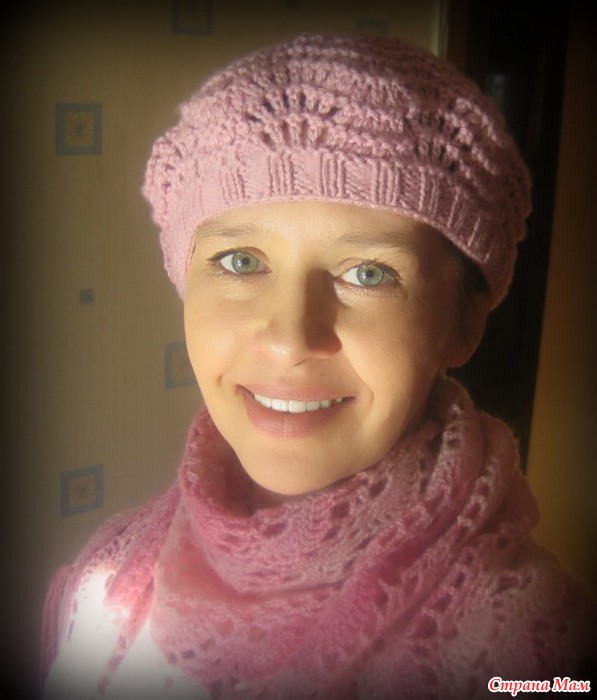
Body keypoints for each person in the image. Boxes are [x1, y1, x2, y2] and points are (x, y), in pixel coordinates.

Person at [41, 33, 595, 699]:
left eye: (368, 273)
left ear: (463, 323)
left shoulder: (533, 653)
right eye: (240, 261)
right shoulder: (102, 579)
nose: (290, 339)